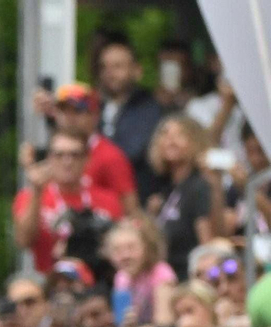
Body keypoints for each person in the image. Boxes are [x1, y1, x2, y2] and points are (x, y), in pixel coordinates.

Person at [14, 130, 124, 275]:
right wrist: (37, 192)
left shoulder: (108, 199)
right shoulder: (29, 196)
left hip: (98, 281)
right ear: (49, 159)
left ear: (87, 159)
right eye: (59, 155)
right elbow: (23, 241)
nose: (67, 161)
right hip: (50, 281)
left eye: (75, 155)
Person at [149, 115, 222, 280]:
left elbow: (207, 244)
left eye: (180, 134)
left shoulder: (198, 187)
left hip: (189, 280)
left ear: (195, 142)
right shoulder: (166, 191)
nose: (171, 140)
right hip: (168, 277)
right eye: (165, 134)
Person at [51, 83, 139, 216]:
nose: (69, 117)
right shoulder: (52, 149)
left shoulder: (110, 156)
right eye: (63, 111)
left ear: (95, 115)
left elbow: (130, 208)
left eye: (77, 111)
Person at [96, 36, 165, 197]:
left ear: (137, 71)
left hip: (137, 196)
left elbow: (131, 151)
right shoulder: (96, 105)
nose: (109, 73)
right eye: (104, 67)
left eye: (117, 66)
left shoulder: (149, 107)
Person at [105, 216, 176, 327]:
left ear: (146, 248)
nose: (125, 256)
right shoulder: (121, 277)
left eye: (131, 248)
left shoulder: (161, 273)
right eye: (117, 250)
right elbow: (122, 326)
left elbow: (164, 324)